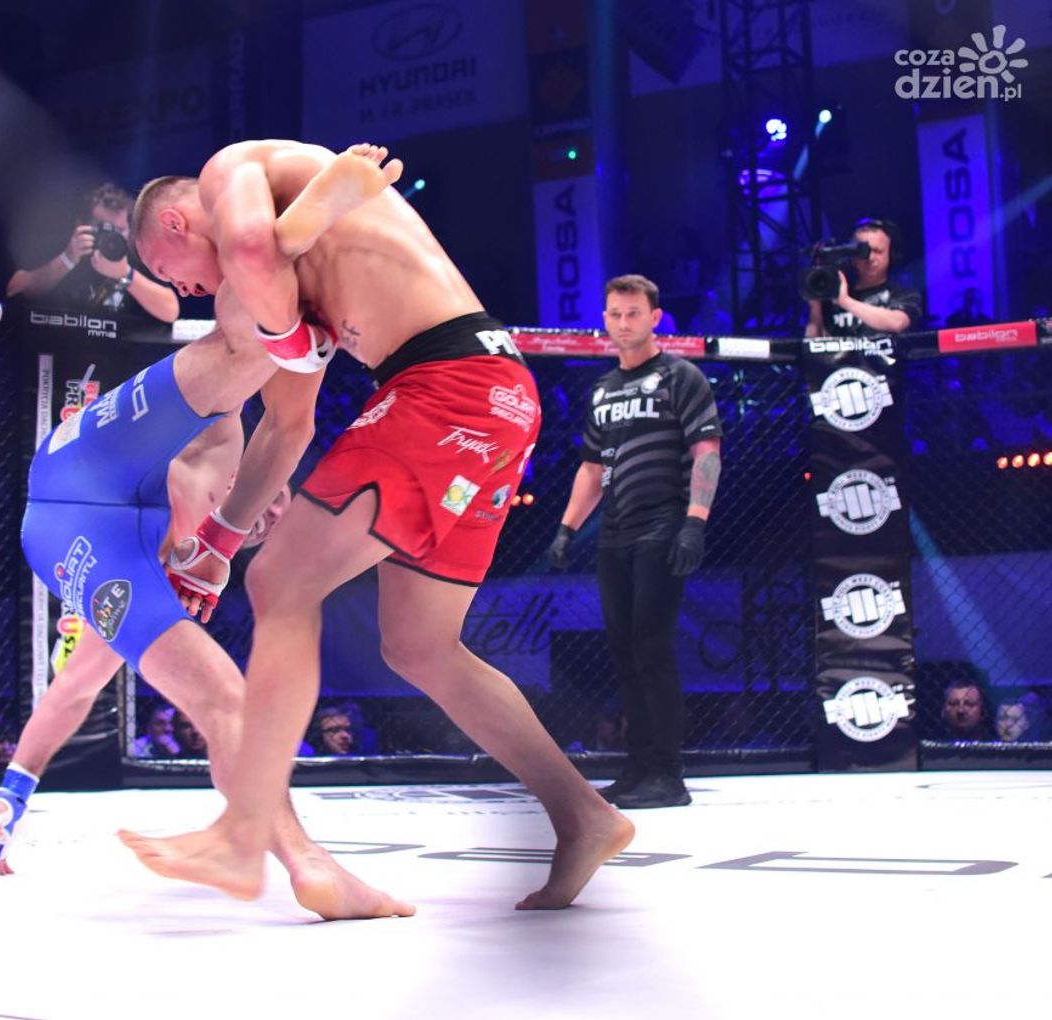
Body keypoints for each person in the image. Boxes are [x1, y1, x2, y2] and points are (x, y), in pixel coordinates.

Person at [118, 139, 633, 912]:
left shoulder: (231, 172)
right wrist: (219, 543)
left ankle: (244, 828)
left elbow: (251, 246)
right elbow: (287, 428)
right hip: (492, 397)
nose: (184, 290)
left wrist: (287, 330)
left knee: (282, 580)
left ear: (173, 221)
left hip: (448, 387)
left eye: (169, 271)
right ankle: (584, 814)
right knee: (420, 645)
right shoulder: (284, 279)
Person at [0, 142, 414, 921]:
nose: (180, 287)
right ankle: (299, 229)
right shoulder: (222, 395)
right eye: (168, 274)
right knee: (238, 340)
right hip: (72, 488)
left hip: (108, 508)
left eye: (170, 272)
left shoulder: (192, 506)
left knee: (227, 698)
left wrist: (15, 786)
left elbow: (292, 430)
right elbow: (74, 687)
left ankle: (306, 864)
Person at [544, 274, 723, 809]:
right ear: (605, 319)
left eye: (633, 313)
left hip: (663, 523)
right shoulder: (603, 389)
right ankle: (639, 766)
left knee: (651, 648)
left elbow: (707, 451)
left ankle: (668, 773)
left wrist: (695, 522)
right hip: (615, 531)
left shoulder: (680, 376)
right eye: (615, 314)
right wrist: (567, 527)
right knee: (624, 651)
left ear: (655, 317)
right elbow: (591, 468)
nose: (623, 323)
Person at [5, 182, 180, 324]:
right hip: (55, 343)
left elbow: (171, 310)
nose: (113, 236)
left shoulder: (133, 255)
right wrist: (66, 260)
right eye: (105, 228)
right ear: (81, 225)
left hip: (115, 351)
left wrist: (126, 275)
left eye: (120, 229)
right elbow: (14, 290)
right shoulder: (66, 245)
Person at [805, 217, 922, 338]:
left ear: (890, 254)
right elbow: (812, 343)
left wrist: (846, 302)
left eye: (877, 251)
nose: (870, 258)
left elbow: (897, 323)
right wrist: (815, 306)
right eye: (862, 251)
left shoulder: (904, 292)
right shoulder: (834, 292)